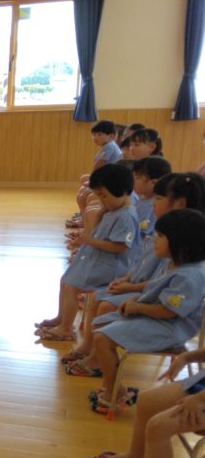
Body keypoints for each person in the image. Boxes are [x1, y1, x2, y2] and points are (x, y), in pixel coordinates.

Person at [63, 160, 175, 376]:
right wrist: (127, 281)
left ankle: (97, 358)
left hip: (152, 296)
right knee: (98, 297)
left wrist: (130, 286)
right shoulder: (150, 223)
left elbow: (161, 279)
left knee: (103, 303)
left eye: (159, 199)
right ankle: (89, 348)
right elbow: (143, 264)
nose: (153, 204)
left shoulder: (171, 237)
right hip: (138, 281)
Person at [88, 209, 205, 415]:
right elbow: (155, 290)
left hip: (169, 328)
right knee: (99, 324)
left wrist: (137, 307)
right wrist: (135, 301)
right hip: (156, 319)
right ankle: (113, 384)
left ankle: (116, 393)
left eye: (160, 236)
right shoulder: (176, 264)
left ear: (181, 242)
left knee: (101, 339)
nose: (154, 240)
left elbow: (169, 312)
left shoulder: (190, 276)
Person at [36, 163, 138, 341]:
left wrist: (90, 241)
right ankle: (61, 318)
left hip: (110, 268)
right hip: (97, 260)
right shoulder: (113, 210)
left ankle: (66, 329)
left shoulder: (125, 215)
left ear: (121, 191)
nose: (102, 201)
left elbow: (121, 246)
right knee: (65, 280)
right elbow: (99, 233)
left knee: (71, 286)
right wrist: (98, 218)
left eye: (103, 196)